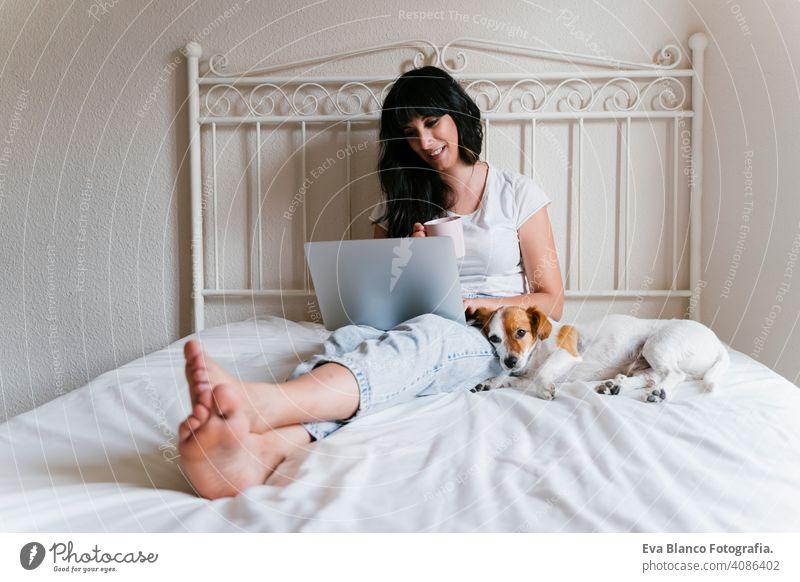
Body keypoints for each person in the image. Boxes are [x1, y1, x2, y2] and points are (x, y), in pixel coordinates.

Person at [178, 66, 565, 499]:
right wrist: (412, 256)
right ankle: (266, 449)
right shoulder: (400, 202)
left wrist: (477, 303)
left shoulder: (516, 192)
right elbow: (378, 295)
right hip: (410, 321)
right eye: (410, 131)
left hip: (488, 335)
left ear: (459, 115)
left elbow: (553, 299)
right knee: (353, 337)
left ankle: (270, 405)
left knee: (430, 336)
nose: (424, 142)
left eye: (432, 122)